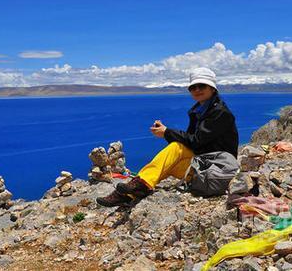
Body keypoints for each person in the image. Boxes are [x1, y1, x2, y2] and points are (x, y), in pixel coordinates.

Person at [96, 67, 239, 207]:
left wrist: (167, 132)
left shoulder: (220, 113)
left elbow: (195, 142)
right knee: (165, 164)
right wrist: (166, 132)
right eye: (193, 87)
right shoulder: (201, 111)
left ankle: (134, 189)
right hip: (204, 166)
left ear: (213, 88)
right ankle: (129, 194)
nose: (197, 90)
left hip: (217, 171)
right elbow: (193, 141)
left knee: (175, 150)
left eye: (202, 86)